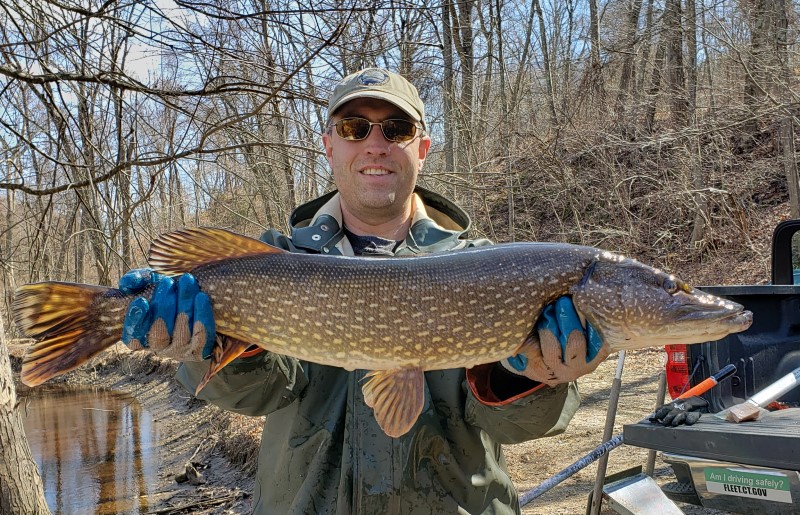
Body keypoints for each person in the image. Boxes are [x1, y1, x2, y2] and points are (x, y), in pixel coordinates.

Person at [118, 68, 610, 514]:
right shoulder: (275, 257)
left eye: (396, 130)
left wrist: (537, 377)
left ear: (422, 148)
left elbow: (513, 428)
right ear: (330, 144)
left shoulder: (486, 267)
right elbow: (264, 392)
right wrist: (209, 350)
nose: (376, 144)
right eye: (356, 128)